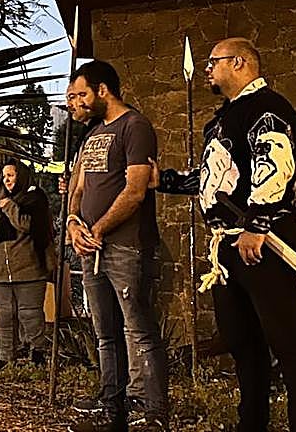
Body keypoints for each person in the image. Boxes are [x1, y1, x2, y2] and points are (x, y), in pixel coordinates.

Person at [153, 38, 296, 431]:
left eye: (214, 62)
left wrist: (257, 225)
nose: (207, 69)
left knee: (286, 341)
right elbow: (214, 179)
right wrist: (163, 181)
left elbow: (276, 166)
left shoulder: (268, 108)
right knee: (243, 344)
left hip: (264, 241)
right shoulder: (222, 119)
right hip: (229, 245)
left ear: (241, 62)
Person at [66, 60, 169, 432]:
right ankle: (112, 406)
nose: (73, 102)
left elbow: (136, 190)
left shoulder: (135, 127)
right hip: (90, 246)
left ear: (103, 90)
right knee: (104, 331)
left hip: (125, 246)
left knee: (137, 329)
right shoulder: (91, 133)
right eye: (70, 97)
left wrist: (98, 228)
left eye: (79, 94)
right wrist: (74, 224)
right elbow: (76, 188)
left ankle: (151, 410)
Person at [0, 158, 55, 369]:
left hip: (28, 267)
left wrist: (10, 207)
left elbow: (27, 224)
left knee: (30, 313)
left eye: (11, 175)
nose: (7, 180)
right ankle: (6, 355)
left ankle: (37, 353)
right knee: (4, 316)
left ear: (21, 175)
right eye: (4, 176)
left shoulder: (35, 199)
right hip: (1, 269)